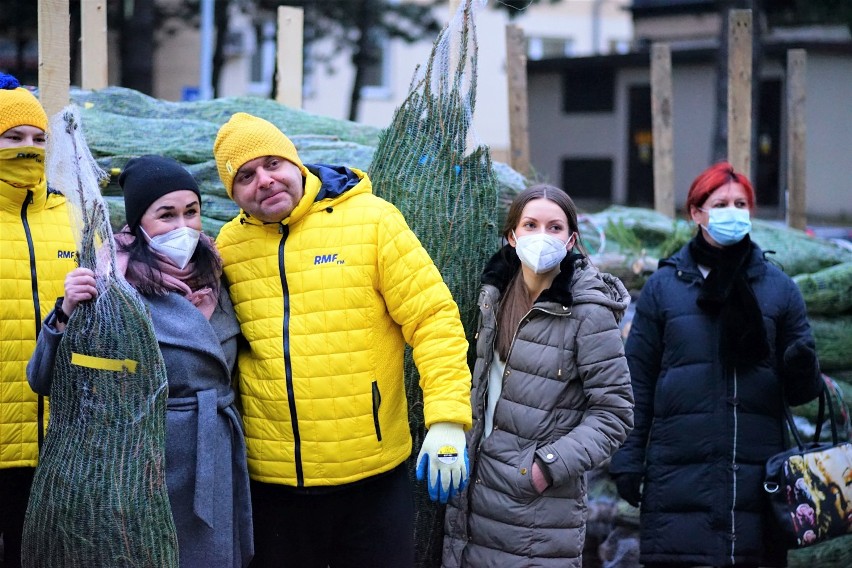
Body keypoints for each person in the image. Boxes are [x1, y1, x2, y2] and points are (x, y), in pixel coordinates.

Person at [212, 112, 472, 567]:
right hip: (273, 487)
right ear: (233, 193)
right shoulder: (229, 246)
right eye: (246, 176)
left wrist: (448, 419)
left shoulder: (372, 222)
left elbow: (433, 320)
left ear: (296, 163)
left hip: (370, 478)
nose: (265, 181)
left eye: (272, 163)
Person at [27, 155, 254, 568]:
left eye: (192, 211)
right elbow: (45, 380)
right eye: (166, 215)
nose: (182, 226)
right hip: (144, 463)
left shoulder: (217, 273)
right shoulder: (112, 287)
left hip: (215, 451)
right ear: (137, 223)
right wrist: (65, 312)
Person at [609, 161, 824, 568]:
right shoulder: (664, 289)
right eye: (720, 203)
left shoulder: (780, 290)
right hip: (678, 482)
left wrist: (800, 365)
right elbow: (635, 379)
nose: (733, 211)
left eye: (740, 203)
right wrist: (628, 459)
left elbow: (803, 393)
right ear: (696, 213)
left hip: (759, 483)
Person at [442, 184, 635, 567]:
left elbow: (615, 412)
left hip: (537, 509)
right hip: (472, 493)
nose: (542, 236)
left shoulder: (588, 312)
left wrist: (545, 467)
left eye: (554, 227)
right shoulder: (491, 297)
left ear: (571, 239)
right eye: (530, 225)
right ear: (513, 236)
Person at [0, 72, 77, 568]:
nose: (28, 147)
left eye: (38, 138)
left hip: (58, 438)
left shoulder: (70, 214)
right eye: (13, 137)